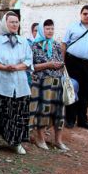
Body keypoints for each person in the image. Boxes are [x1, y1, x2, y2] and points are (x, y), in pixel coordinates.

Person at [0, 12, 33, 156]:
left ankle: (15, 142)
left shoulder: (24, 41)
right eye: (11, 22)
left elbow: (28, 61)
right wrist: (4, 67)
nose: (15, 24)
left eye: (17, 22)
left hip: (19, 85)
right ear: (5, 24)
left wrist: (17, 67)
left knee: (17, 114)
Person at [29, 19, 68, 151]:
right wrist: (48, 65)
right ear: (41, 30)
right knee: (42, 110)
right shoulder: (34, 46)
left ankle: (58, 140)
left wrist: (59, 66)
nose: (50, 31)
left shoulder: (56, 45)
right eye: (47, 29)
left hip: (57, 82)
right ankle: (40, 138)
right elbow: (31, 66)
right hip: (41, 83)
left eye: (52, 28)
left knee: (59, 111)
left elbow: (61, 62)